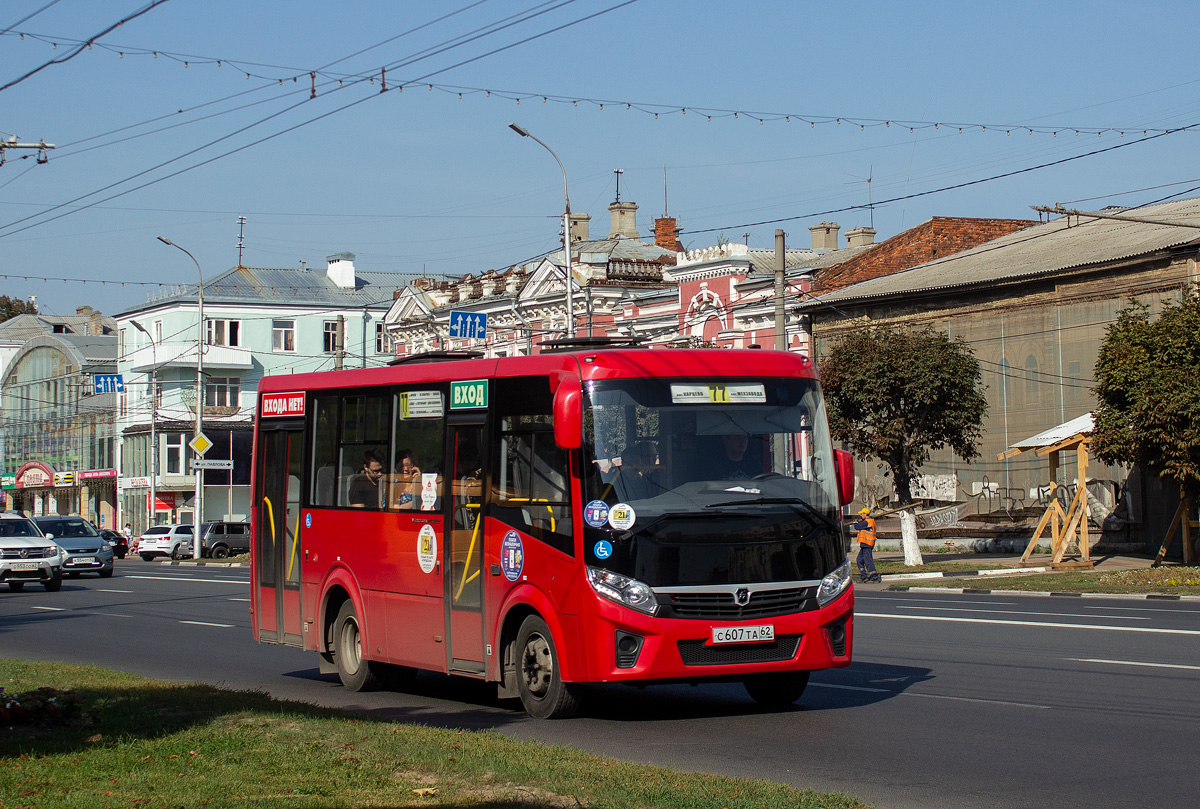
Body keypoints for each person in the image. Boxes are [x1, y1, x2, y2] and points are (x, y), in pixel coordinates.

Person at [852, 507, 881, 583]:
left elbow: (857, 527)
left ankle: (874, 577)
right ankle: (863, 576)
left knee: (868, 561)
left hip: (868, 544)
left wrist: (855, 522)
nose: (861, 515)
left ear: (865, 514)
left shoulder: (868, 522)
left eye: (862, 514)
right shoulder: (867, 521)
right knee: (859, 560)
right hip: (864, 545)